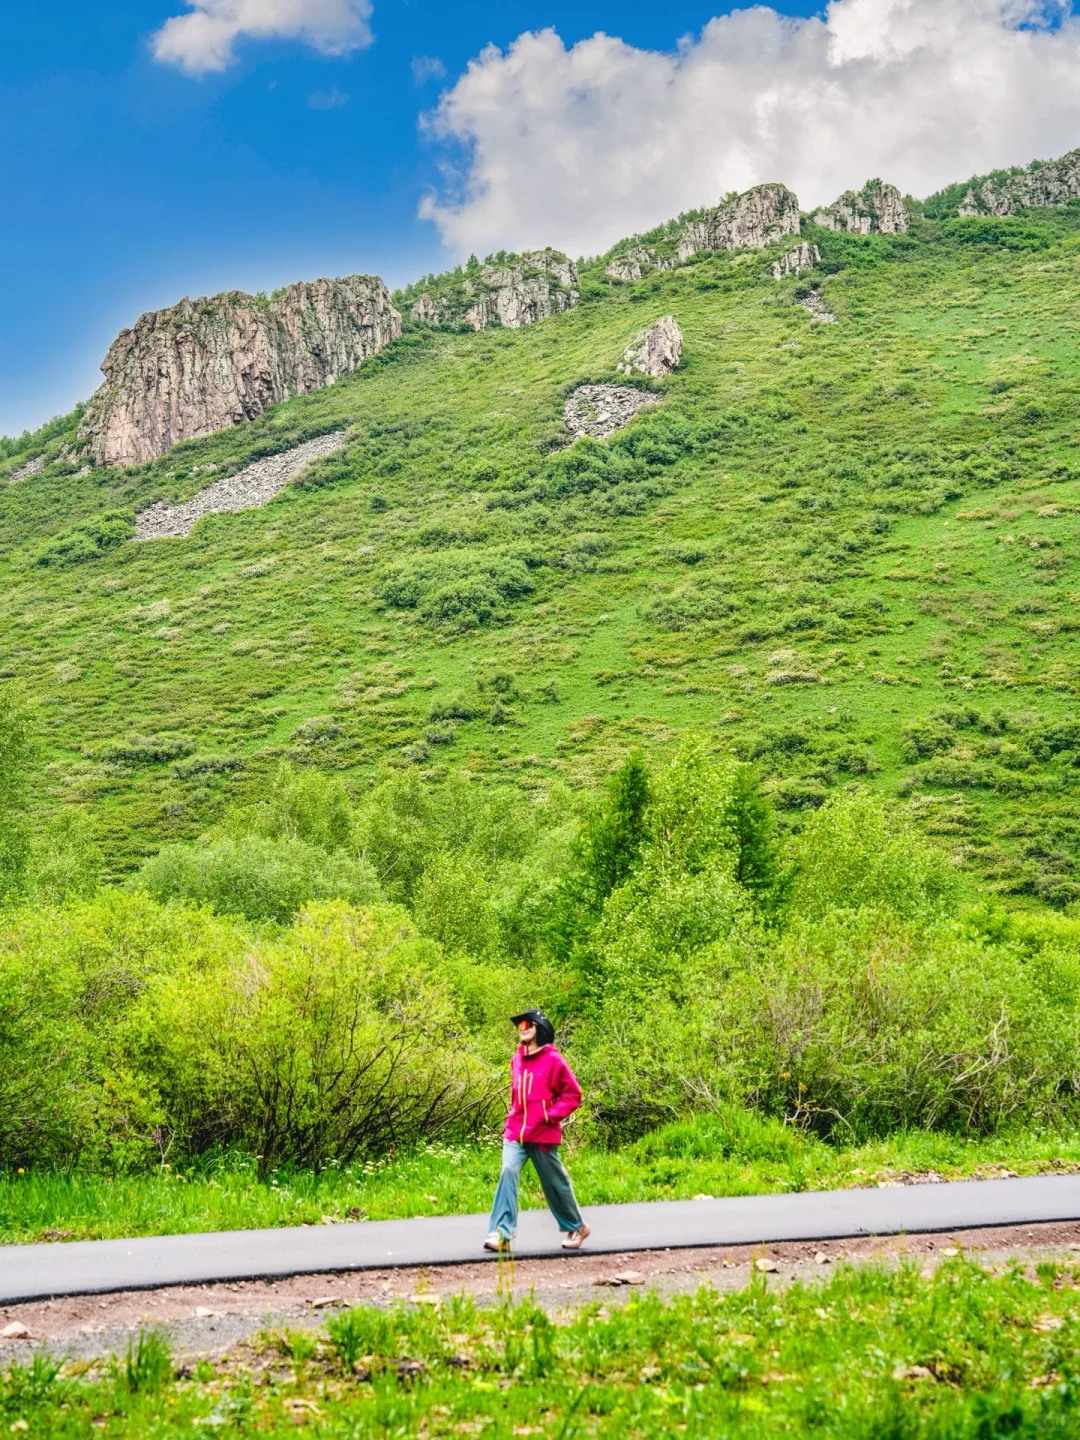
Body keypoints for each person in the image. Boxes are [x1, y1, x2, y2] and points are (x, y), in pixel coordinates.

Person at [484, 1009, 591, 1253]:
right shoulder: (516, 1060)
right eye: (519, 1025)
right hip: (515, 1133)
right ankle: (502, 1235)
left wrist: (549, 1115)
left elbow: (573, 1095)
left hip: (542, 1134)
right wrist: (511, 1118)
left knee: (555, 1183)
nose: (521, 1028)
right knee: (508, 1172)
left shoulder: (554, 1060)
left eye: (526, 1024)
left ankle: (577, 1226)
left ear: (539, 1028)